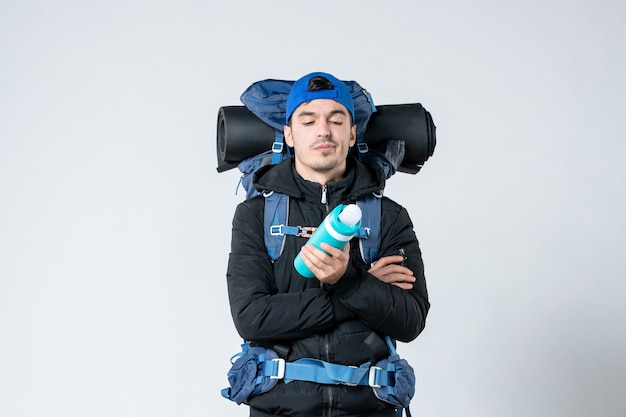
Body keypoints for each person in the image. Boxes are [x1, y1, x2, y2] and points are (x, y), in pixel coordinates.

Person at [226, 71, 429, 416]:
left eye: (336, 120)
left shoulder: (388, 216)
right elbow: (252, 318)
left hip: (369, 408)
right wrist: (357, 289)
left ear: (352, 134)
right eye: (308, 120)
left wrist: (346, 279)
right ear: (289, 134)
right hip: (280, 410)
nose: (323, 130)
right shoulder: (255, 215)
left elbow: (410, 320)